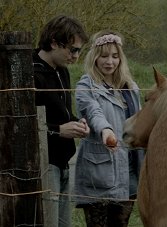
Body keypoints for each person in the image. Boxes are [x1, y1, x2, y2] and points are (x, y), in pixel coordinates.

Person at [74, 30, 144, 227]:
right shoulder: (85, 86)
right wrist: (106, 130)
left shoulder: (131, 88)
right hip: (101, 171)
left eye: (115, 56)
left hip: (129, 170)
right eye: (104, 56)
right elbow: (93, 111)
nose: (109, 62)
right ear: (94, 57)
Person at [33, 15, 90, 227]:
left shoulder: (62, 71)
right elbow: (20, 127)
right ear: (54, 42)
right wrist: (59, 131)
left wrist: (78, 123)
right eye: (72, 50)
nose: (76, 57)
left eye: (79, 51)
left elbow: (62, 114)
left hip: (64, 161)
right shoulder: (30, 73)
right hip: (44, 165)